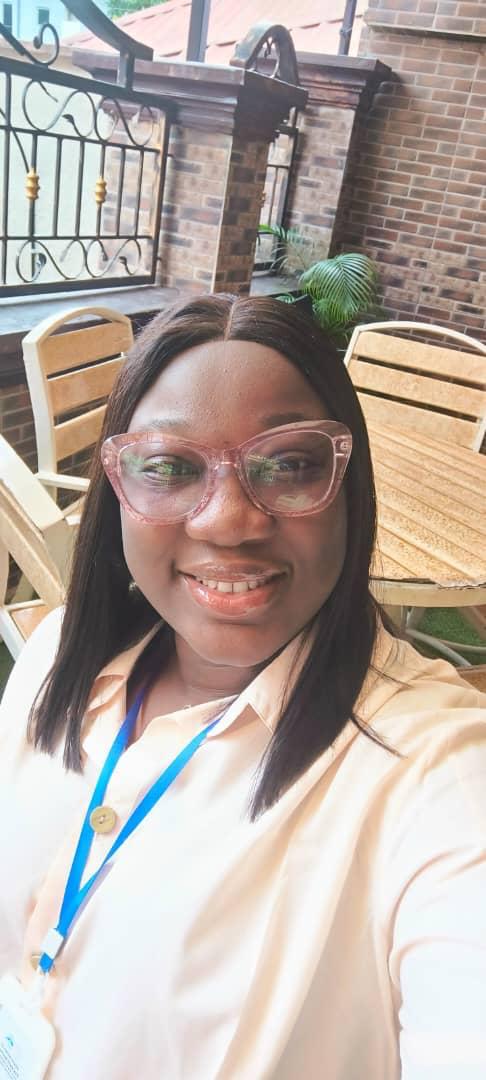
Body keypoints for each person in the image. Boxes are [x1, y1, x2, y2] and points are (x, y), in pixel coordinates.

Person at [0, 294, 485, 1080]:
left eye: (288, 465)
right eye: (169, 467)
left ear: (349, 484)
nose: (228, 522)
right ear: (117, 488)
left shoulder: (437, 777)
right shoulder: (54, 656)